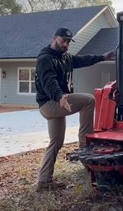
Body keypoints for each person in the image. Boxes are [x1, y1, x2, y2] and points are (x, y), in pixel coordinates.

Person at [35, 27, 115, 191]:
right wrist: (59, 96)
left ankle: (44, 182)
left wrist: (102, 57)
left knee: (56, 142)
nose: (66, 44)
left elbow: (82, 60)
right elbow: (49, 82)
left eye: (68, 41)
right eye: (63, 40)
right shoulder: (45, 59)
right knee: (88, 100)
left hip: (57, 102)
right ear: (54, 38)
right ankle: (85, 145)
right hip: (50, 103)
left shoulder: (65, 58)